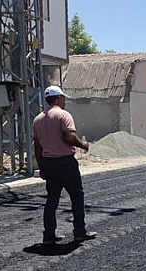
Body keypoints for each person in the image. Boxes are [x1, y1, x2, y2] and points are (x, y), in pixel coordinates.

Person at [33, 85, 97, 244]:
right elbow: (69, 137)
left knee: (52, 200)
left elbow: (37, 147)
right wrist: (83, 144)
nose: (65, 101)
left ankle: (48, 236)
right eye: (63, 98)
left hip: (49, 163)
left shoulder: (38, 119)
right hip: (65, 163)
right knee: (77, 196)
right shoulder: (64, 115)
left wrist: (42, 167)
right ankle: (79, 232)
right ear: (59, 98)